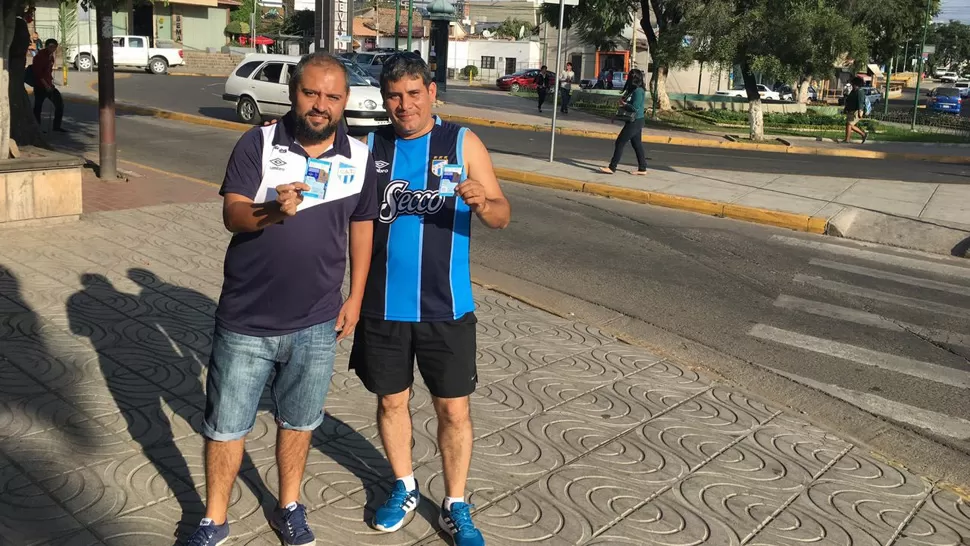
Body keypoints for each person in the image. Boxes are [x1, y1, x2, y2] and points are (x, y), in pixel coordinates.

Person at [185, 52, 378, 546]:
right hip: (246, 319)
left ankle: (289, 505)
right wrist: (272, 210)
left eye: (332, 96)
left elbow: (361, 227)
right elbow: (233, 215)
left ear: (346, 101)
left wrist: (354, 296)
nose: (320, 105)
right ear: (294, 92)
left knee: (299, 421)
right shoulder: (259, 142)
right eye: (311, 93)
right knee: (227, 426)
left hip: (317, 322)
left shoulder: (358, 158)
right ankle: (214, 518)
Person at [352, 52, 510, 546]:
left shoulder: (461, 141)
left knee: (454, 411)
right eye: (394, 96)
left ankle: (455, 503)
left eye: (413, 94)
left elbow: (503, 213)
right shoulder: (371, 146)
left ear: (432, 92)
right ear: (384, 100)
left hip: (447, 307)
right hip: (382, 306)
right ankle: (403, 486)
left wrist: (484, 203)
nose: (404, 105)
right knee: (391, 402)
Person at [600, 68, 647, 175]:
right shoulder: (633, 90)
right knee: (637, 144)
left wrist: (624, 104)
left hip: (636, 121)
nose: (628, 79)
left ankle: (612, 167)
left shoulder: (639, 91)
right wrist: (617, 113)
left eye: (630, 77)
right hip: (635, 121)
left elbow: (635, 108)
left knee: (620, 142)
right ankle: (643, 168)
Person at [32, 39, 65, 133]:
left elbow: (48, 72)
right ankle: (37, 128)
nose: (53, 49)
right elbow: (39, 74)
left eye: (54, 47)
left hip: (49, 85)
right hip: (40, 86)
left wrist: (50, 84)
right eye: (51, 46)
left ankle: (56, 126)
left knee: (59, 104)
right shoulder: (40, 56)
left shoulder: (51, 57)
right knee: (38, 107)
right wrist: (46, 85)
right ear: (46, 46)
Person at [843, 76, 869, 144]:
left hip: (856, 111)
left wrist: (860, 111)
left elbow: (860, 102)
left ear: (856, 83)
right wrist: (846, 108)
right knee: (848, 124)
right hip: (851, 110)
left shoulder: (860, 91)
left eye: (853, 83)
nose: (852, 84)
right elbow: (849, 100)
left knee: (849, 124)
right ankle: (863, 134)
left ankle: (847, 140)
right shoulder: (853, 91)